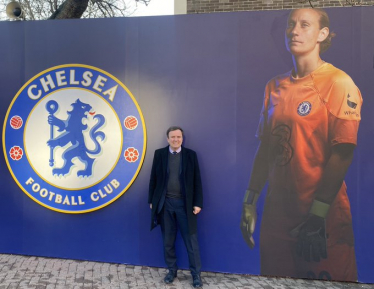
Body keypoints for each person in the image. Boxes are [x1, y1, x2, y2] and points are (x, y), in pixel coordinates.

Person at [240, 8, 362, 281]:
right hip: (277, 218)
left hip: (321, 219)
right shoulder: (274, 86)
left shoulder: (338, 83)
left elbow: (343, 152)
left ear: (322, 34)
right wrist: (250, 201)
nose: (294, 31)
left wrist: (318, 216)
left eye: (304, 25)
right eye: (291, 25)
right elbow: (266, 149)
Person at [148, 126, 203, 288]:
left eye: (178, 137)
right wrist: (152, 200)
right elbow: (153, 179)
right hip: (165, 205)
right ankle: (172, 271)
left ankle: (196, 275)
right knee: (168, 241)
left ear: (182, 139)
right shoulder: (159, 154)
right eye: (172, 137)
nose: (175, 139)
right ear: (167, 139)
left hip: (185, 205)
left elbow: (197, 181)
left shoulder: (191, 155)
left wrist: (198, 203)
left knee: (191, 241)